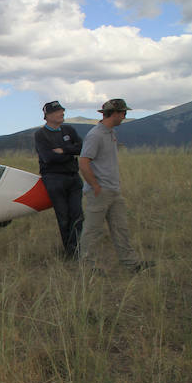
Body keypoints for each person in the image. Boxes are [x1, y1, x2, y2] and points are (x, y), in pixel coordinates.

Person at [77, 98, 154, 272]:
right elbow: (83, 162)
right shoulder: (95, 135)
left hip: (113, 190)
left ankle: (131, 264)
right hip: (100, 192)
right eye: (123, 113)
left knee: (121, 228)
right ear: (115, 113)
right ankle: (87, 268)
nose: (124, 116)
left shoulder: (111, 133)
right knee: (93, 230)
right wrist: (95, 186)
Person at [34, 100, 83, 258]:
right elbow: (48, 158)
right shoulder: (41, 134)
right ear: (47, 116)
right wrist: (71, 154)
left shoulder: (69, 129)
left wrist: (63, 150)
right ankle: (70, 252)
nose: (62, 113)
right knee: (64, 217)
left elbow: (82, 148)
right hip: (54, 179)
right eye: (57, 111)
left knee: (77, 215)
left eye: (62, 110)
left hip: (74, 177)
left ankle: (77, 250)